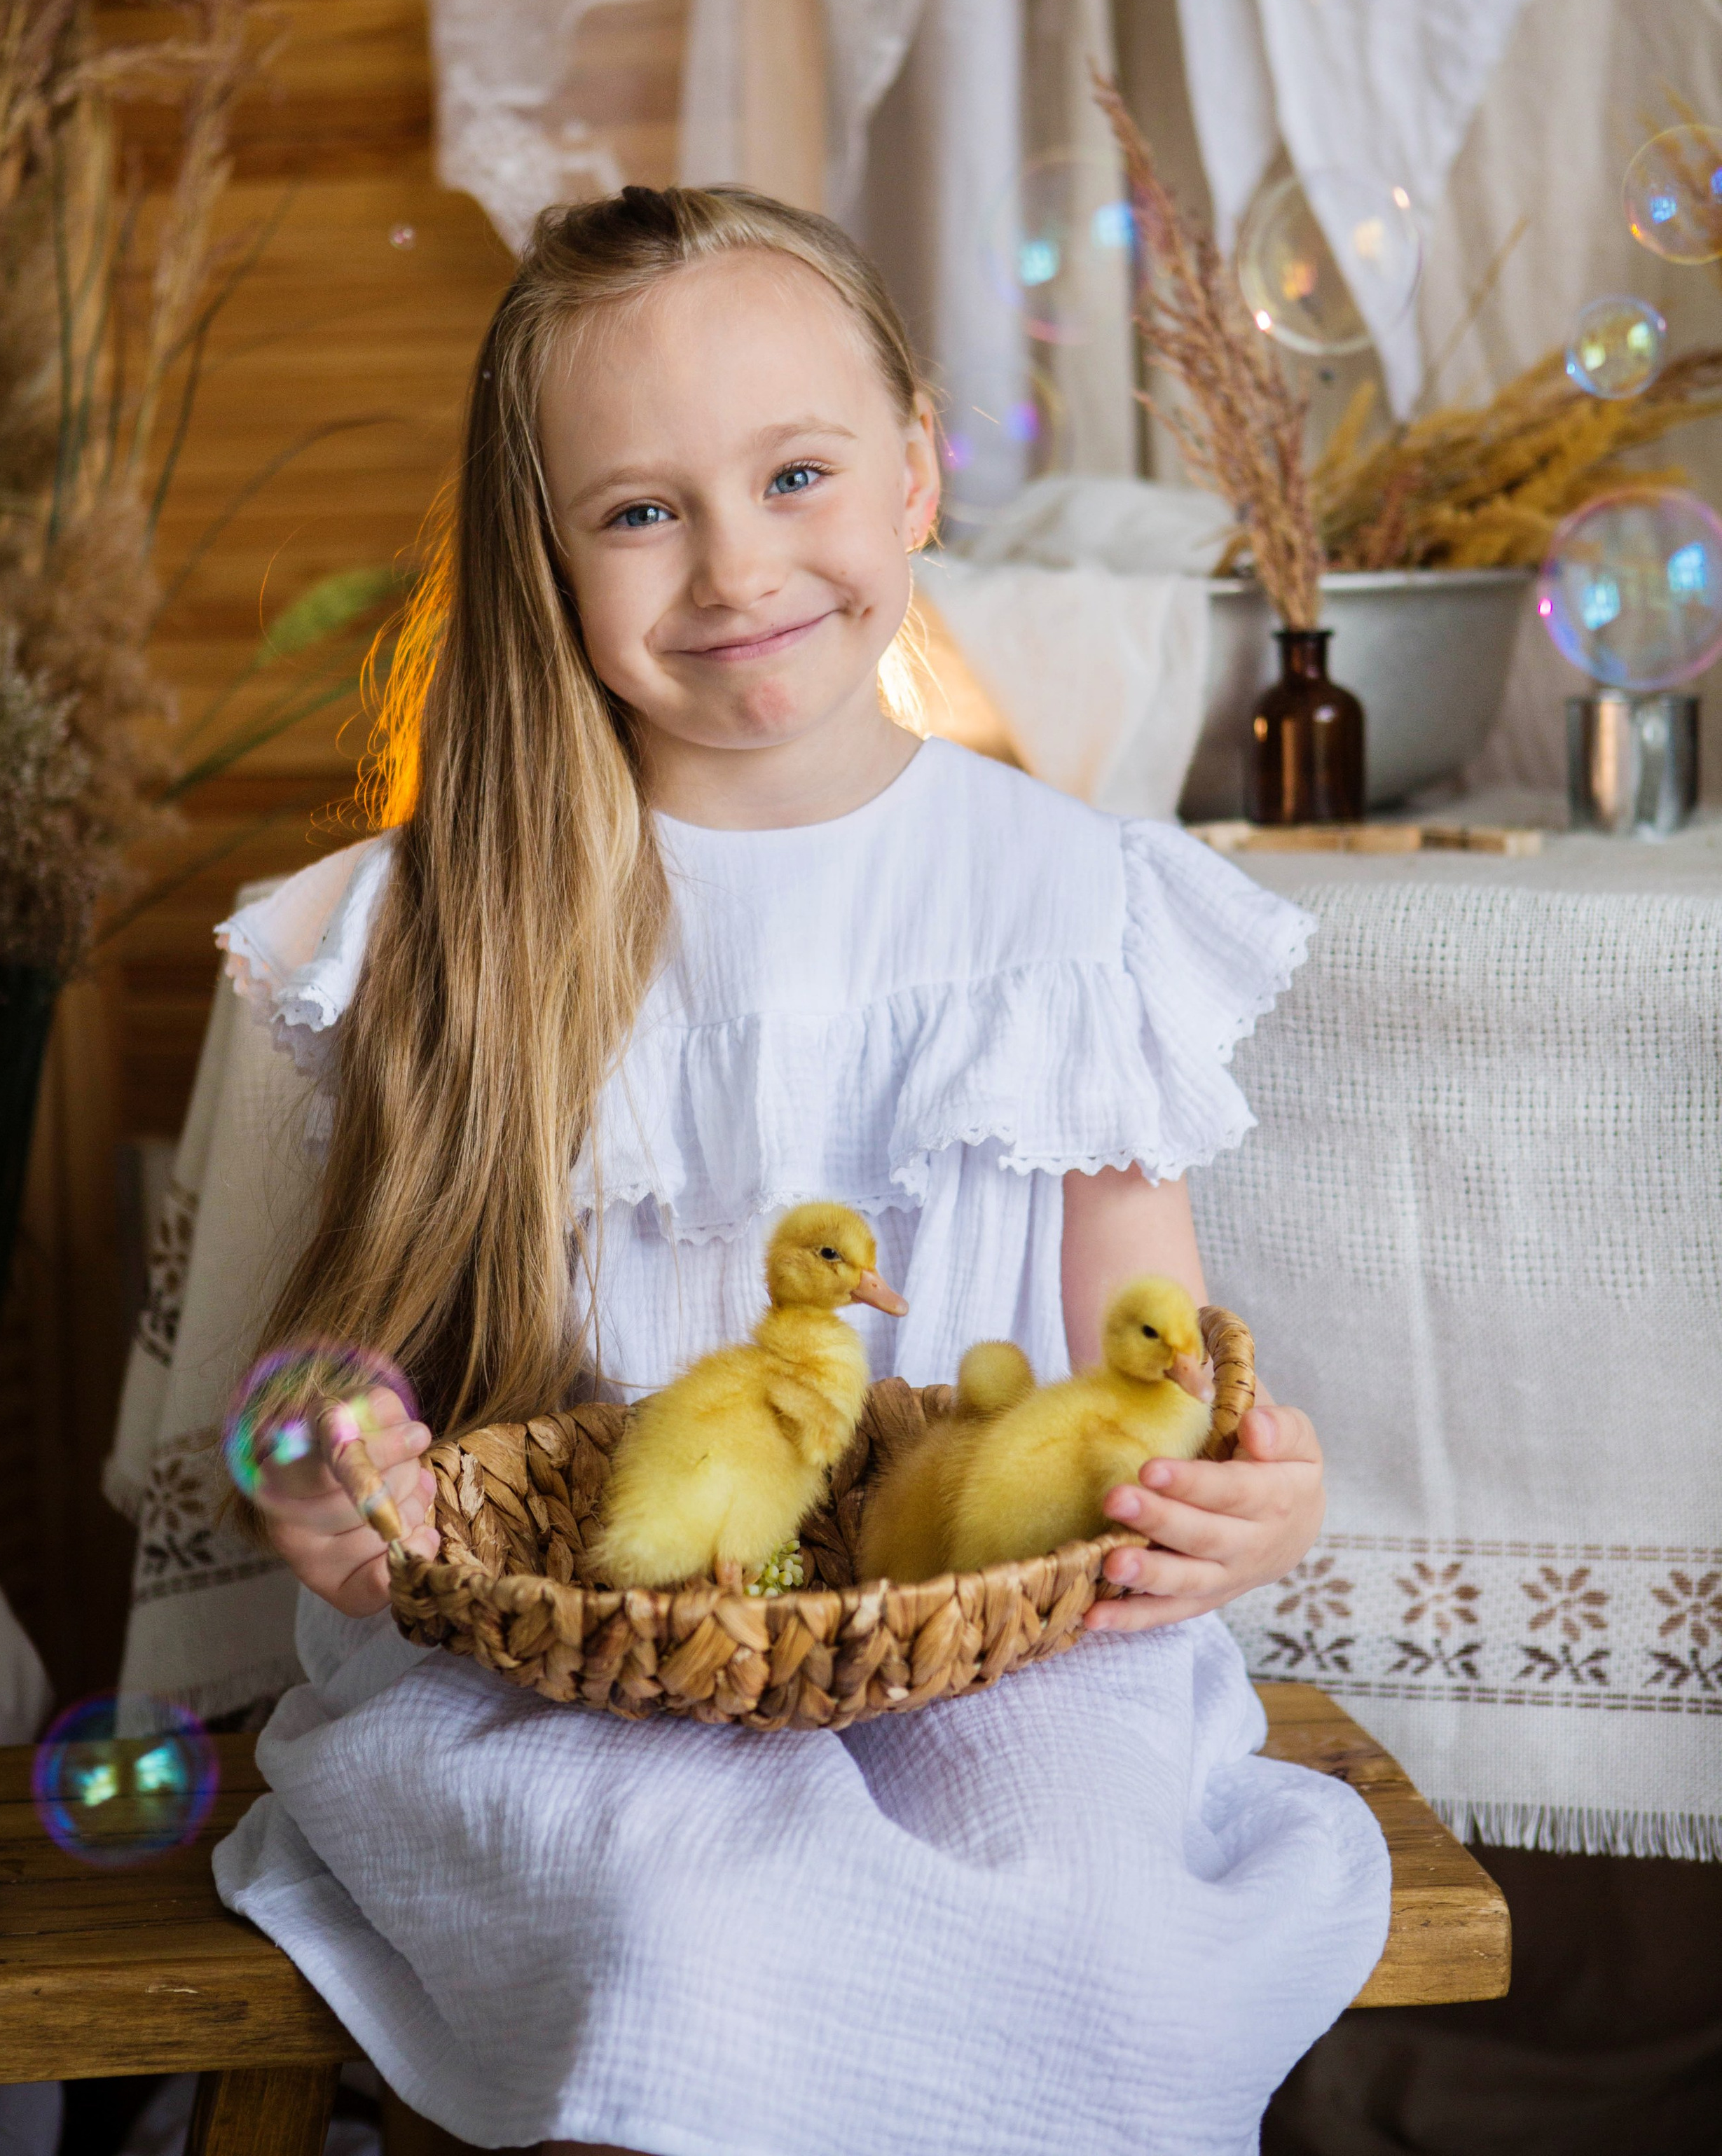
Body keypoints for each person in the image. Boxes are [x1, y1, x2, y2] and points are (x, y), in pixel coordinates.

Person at [212, 183, 1389, 2156]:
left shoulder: (1073, 901)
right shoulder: (460, 917)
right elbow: (352, 1366)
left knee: (1095, 1939)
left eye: (797, 473)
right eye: (641, 511)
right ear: (552, 560)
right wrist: (338, 1479)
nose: (736, 563)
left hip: (996, 1643)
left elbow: (1152, 1352)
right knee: (687, 1943)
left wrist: (1237, 1498)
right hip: (586, 1653)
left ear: (918, 473)